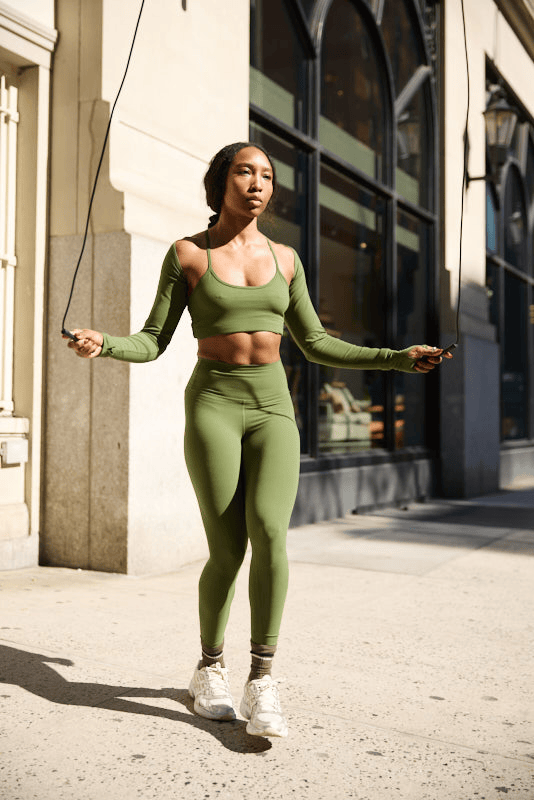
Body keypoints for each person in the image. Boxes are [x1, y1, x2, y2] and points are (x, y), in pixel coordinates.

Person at [64, 141, 451, 738]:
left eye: (267, 175)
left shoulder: (287, 260)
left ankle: (263, 679)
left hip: (272, 408)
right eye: (245, 172)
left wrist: (398, 358)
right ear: (221, 182)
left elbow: (318, 342)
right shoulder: (188, 255)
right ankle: (209, 669)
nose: (257, 183)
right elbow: (153, 340)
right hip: (214, 404)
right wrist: (105, 343)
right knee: (227, 550)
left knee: (270, 533)